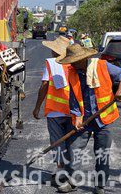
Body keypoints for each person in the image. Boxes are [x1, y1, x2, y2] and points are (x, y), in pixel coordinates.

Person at [56, 44, 121, 194]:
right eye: (71, 61)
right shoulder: (72, 72)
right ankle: (71, 181)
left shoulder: (101, 65)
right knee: (73, 149)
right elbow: (74, 98)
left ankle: (100, 185)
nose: (72, 64)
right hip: (85, 119)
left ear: (84, 59)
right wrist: (76, 117)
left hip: (103, 119)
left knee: (102, 153)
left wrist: (120, 89)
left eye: (75, 61)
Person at [32, 36, 77, 186]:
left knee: (58, 142)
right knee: (70, 143)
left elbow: (45, 85)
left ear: (54, 50)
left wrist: (37, 106)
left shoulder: (51, 63)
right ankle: (69, 172)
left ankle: (60, 172)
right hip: (73, 111)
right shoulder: (73, 63)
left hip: (55, 111)